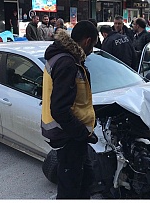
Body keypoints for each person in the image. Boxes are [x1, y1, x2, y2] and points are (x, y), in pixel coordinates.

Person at [41, 20, 99, 199]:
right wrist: (83, 133)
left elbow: (75, 100)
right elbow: (59, 109)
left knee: (86, 179)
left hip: (73, 136)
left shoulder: (66, 59)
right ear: (87, 41)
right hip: (68, 137)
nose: (91, 51)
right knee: (70, 190)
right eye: (93, 45)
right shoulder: (67, 63)